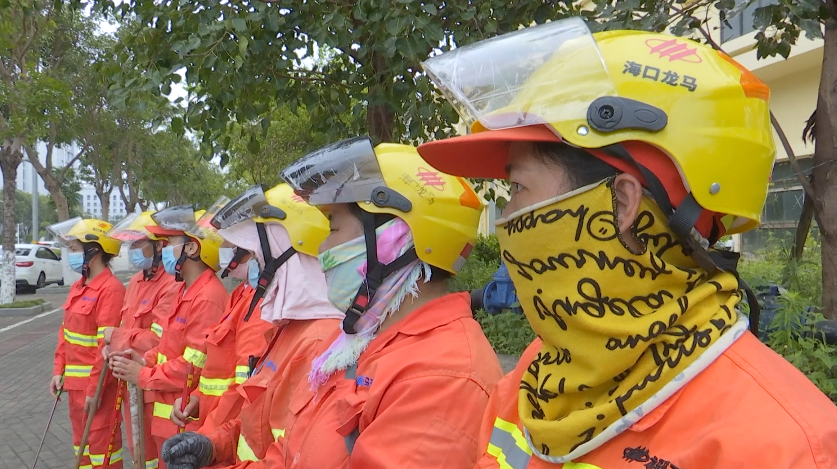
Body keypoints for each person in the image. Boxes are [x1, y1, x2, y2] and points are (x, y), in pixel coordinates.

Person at [416, 18, 837, 468]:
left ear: (620, 203)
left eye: (518, 188)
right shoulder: (542, 370)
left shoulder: (785, 446)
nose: (506, 217)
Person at [239, 139, 501, 468]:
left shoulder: (442, 376)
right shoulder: (354, 343)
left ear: (395, 239)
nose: (321, 248)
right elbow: (292, 453)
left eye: (333, 227)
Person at [160, 182, 345, 469]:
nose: (254, 267)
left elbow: (293, 455)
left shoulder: (318, 341)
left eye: (257, 257)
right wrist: (213, 446)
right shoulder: (289, 329)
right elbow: (256, 418)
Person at [109, 206, 229, 468]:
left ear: (192, 248)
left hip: (182, 421)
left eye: (170, 243)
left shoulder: (207, 297)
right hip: (167, 416)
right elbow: (166, 347)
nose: (163, 250)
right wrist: (144, 360)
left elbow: (192, 366)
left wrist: (143, 375)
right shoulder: (184, 291)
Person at [167, 198, 273, 431]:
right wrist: (197, 398)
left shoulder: (263, 306)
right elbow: (217, 367)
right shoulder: (241, 294)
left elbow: (243, 389)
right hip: (213, 423)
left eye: (228, 242)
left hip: (224, 432)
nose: (221, 248)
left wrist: (207, 436)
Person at [100, 211, 181, 469]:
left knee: (157, 453)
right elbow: (127, 328)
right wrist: (111, 347)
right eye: (131, 244)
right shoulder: (135, 281)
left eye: (138, 243)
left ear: (159, 246)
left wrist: (116, 337)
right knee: (139, 453)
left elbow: (157, 340)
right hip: (130, 384)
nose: (132, 250)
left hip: (154, 386)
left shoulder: (172, 284)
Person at [47, 217, 127, 469]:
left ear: (94, 252)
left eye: (74, 249)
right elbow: (66, 334)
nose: (70, 255)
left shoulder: (111, 290)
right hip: (74, 388)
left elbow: (106, 348)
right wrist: (59, 370)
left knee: (102, 453)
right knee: (80, 451)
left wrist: (95, 389)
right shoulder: (78, 287)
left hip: (98, 391)